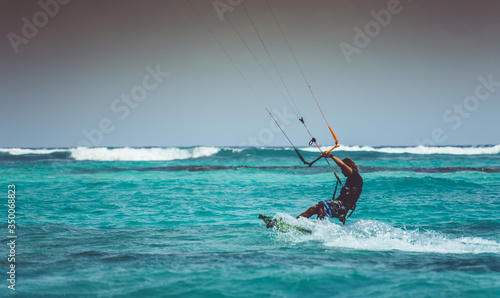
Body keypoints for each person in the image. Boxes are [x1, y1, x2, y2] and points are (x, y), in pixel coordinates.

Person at [297, 152, 363, 224]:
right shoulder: (350, 180)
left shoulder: (355, 176)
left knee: (321, 206)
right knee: (312, 209)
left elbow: (342, 164)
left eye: (342, 169)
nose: (342, 171)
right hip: (341, 206)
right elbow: (345, 197)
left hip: (342, 207)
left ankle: (319, 228)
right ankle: (295, 222)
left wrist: (332, 156)